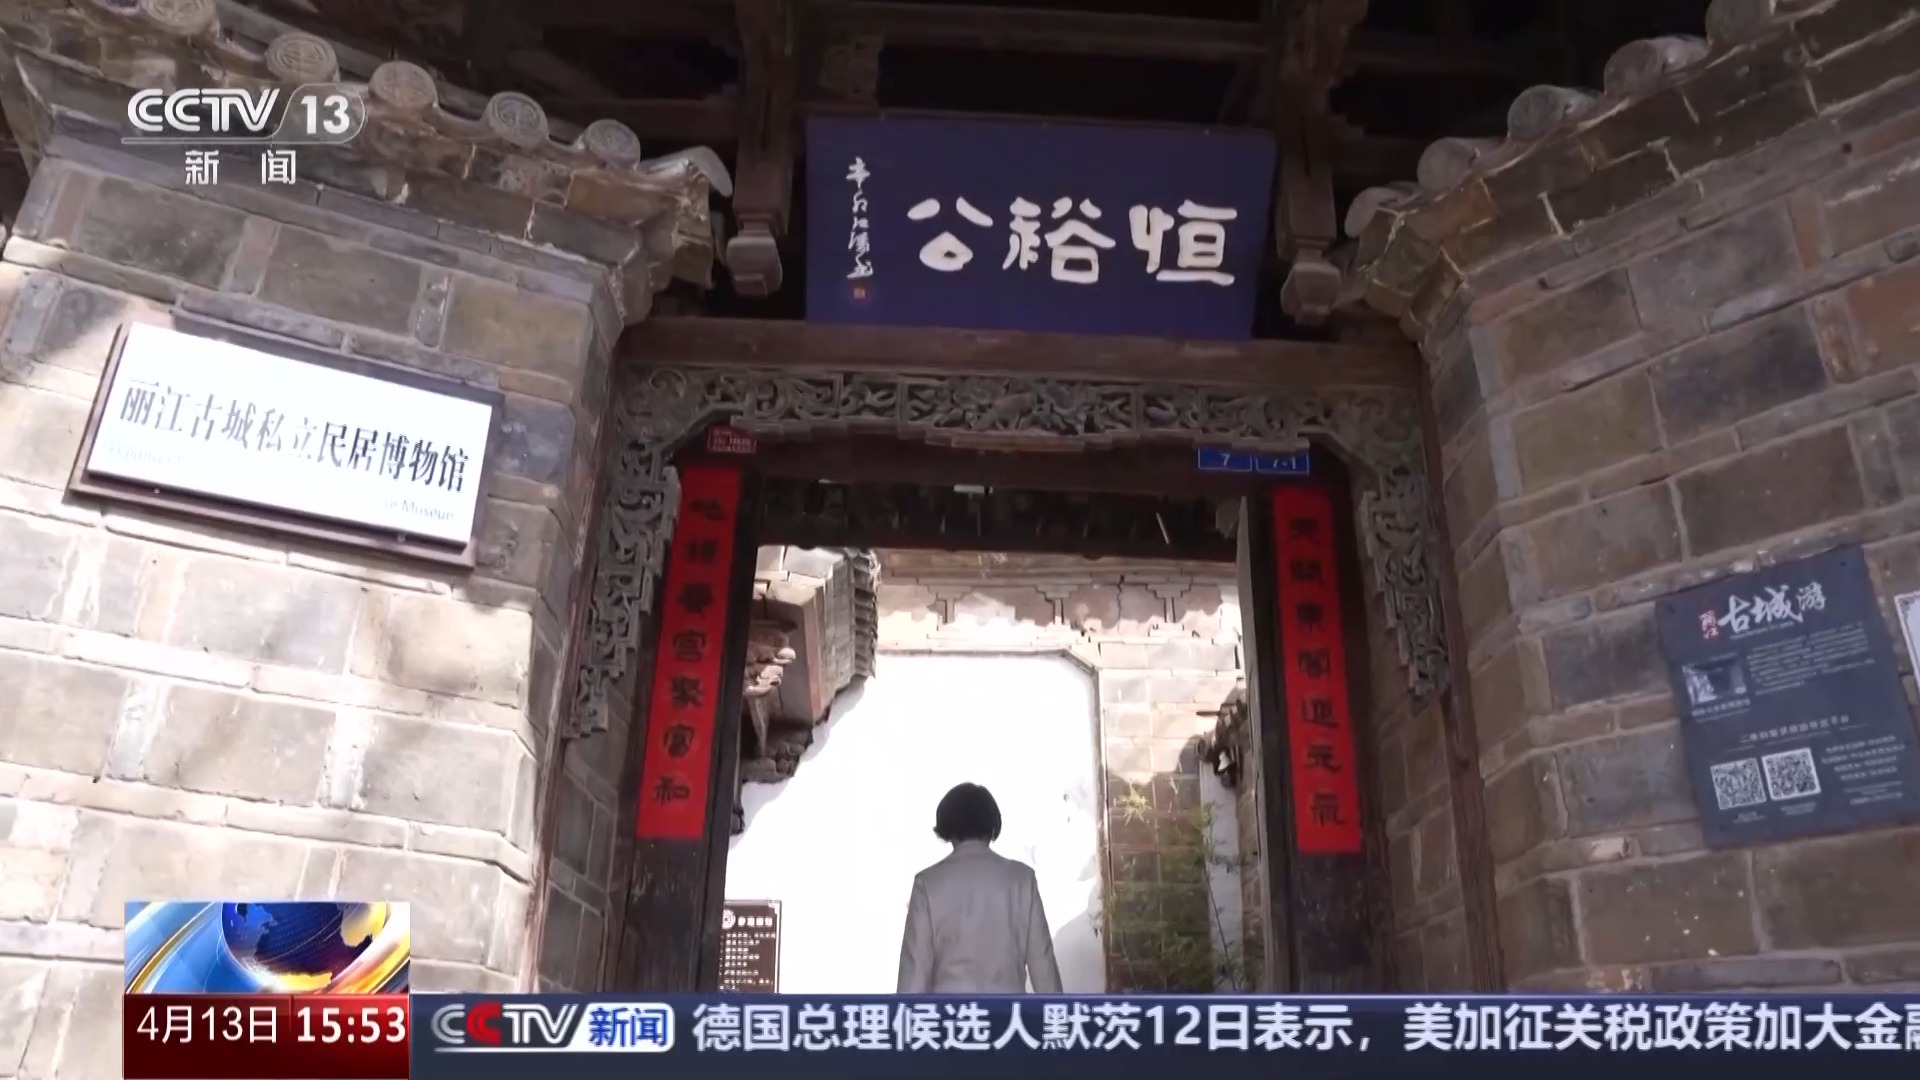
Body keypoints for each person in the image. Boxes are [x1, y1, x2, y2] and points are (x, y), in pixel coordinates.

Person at [897, 782, 1064, 994]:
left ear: (947, 826)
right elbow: (1043, 965)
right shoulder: (1022, 879)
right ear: (991, 824)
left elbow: (914, 974)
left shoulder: (927, 883)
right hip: (1009, 1011)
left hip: (951, 1013)